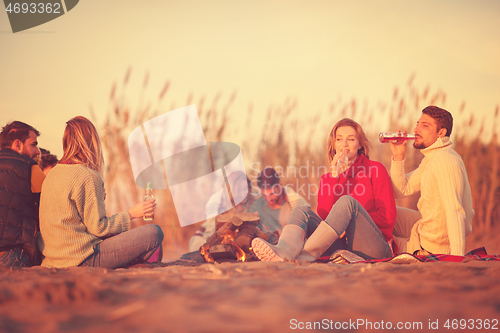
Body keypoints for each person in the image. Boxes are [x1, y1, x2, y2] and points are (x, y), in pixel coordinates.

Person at [252, 118, 397, 261]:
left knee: (347, 203)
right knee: (301, 210)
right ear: (333, 144)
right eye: (339, 139)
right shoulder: (328, 178)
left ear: (360, 144)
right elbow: (325, 218)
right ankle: (283, 252)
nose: (344, 144)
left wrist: (349, 221)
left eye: (351, 139)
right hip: (343, 247)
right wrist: (335, 177)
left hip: (374, 247)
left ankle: (304, 256)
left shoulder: (375, 169)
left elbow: (388, 217)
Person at [39, 116, 164, 268]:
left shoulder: (53, 173)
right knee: (153, 232)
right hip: (83, 258)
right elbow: (99, 228)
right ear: (92, 141)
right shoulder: (88, 176)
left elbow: (73, 220)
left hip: (53, 259)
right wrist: (131, 214)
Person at [389, 106, 474, 256]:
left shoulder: (444, 159)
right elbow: (401, 190)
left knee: (380, 240)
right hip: (426, 229)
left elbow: (455, 211)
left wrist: (456, 257)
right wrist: (398, 156)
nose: (416, 129)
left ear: (441, 132)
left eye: (425, 126)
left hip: (430, 247)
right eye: (418, 124)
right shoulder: (433, 158)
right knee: (385, 212)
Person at [0, 121, 45, 267]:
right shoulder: (29, 167)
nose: (38, 151)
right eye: (33, 144)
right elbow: (56, 206)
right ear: (18, 144)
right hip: (9, 256)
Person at [188, 171, 254, 252]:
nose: (245, 193)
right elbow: (211, 233)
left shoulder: (250, 205)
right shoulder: (219, 204)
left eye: (246, 189)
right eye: (240, 190)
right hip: (206, 237)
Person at [248, 167, 309, 238]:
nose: (268, 199)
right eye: (264, 195)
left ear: (280, 186)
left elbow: (307, 222)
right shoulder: (256, 207)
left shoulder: (294, 201)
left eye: (272, 193)